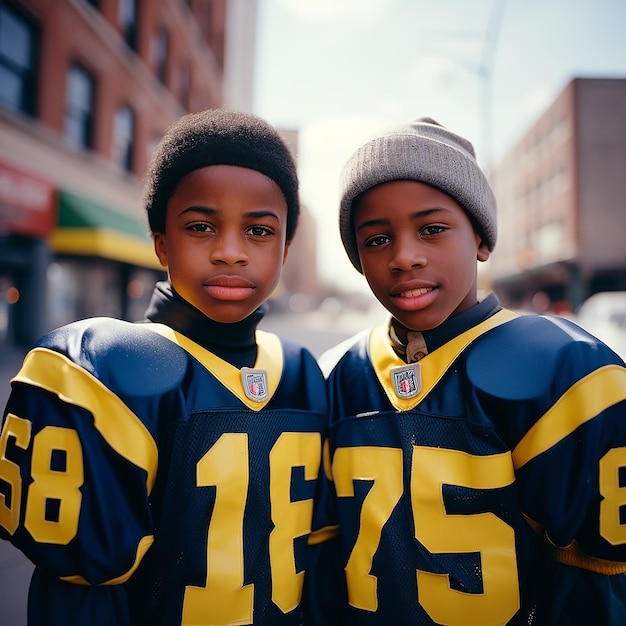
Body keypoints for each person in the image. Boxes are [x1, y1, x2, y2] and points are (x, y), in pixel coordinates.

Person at [0, 109, 334, 625]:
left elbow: (316, 564)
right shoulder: (105, 367)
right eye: (201, 227)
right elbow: (78, 597)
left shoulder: (302, 371)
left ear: (286, 247)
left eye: (259, 231)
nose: (229, 252)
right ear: (161, 241)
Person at [318, 116, 626, 625]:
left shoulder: (566, 368)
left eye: (432, 229)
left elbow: (600, 583)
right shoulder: (336, 373)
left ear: (481, 239)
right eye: (376, 239)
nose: (404, 257)